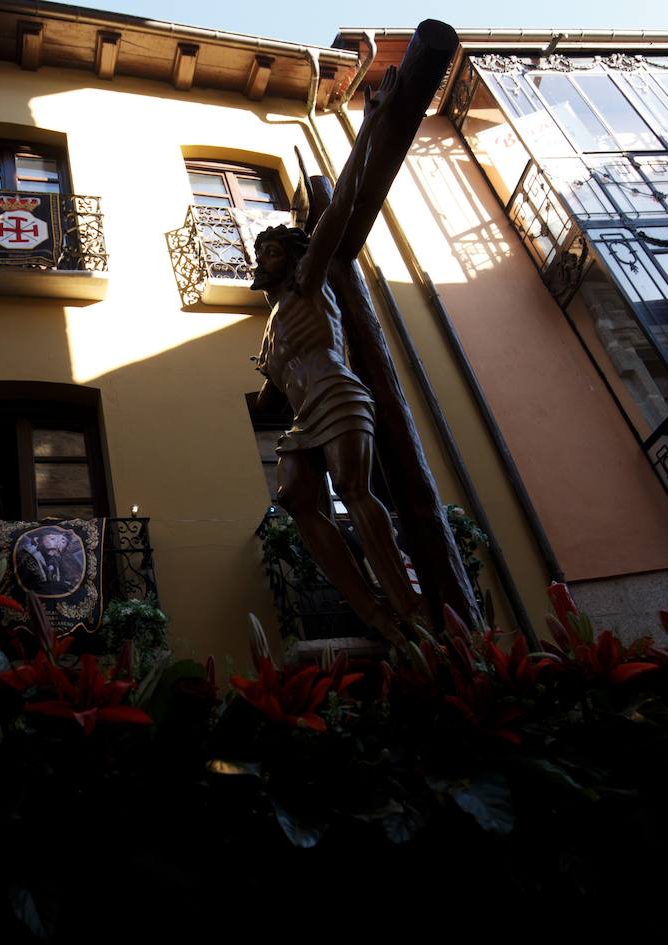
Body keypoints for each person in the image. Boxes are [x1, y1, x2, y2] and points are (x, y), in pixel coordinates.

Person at [250, 64, 422, 646]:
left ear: (291, 256)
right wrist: (267, 375)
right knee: (295, 497)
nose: (265, 257)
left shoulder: (308, 279)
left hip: (338, 392)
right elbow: (269, 391)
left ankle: (407, 603)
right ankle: (370, 608)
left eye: (273, 249)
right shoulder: (271, 326)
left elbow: (342, 204)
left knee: (353, 488)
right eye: (262, 250)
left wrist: (370, 125)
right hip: (303, 417)